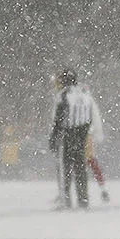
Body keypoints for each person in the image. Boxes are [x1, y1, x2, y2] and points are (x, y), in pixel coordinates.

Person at [49, 69, 97, 209]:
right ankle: (83, 199)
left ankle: (66, 200)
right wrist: (84, 133)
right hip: (82, 133)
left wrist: (54, 137)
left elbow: (59, 119)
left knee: (65, 168)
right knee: (80, 167)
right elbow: (90, 114)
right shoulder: (85, 93)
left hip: (69, 133)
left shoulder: (64, 95)